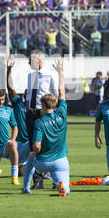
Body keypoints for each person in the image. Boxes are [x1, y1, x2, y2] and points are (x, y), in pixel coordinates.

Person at [22, 58, 70, 197]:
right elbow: (61, 93)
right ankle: (62, 186)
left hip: (43, 162)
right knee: (65, 184)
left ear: (42, 105)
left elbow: (37, 146)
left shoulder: (40, 123)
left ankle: (26, 187)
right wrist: (61, 72)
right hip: (60, 161)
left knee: (31, 155)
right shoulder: (62, 114)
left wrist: (35, 153)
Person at [25, 49, 59, 189]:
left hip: (43, 114)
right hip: (31, 114)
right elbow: (28, 96)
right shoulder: (30, 75)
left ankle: (56, 179)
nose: (28, 62)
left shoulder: (51, 75)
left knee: (48, 146)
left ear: (39, 61)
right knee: (33, 147)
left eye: (31, 60)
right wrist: (27, 111)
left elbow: (56, 96)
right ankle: (37, 181)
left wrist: (51, 115)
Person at [7, 54, 31, 176]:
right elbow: (10, 89)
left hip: (32, 142)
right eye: (27, 93)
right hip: (21, 143)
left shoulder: (37, 108)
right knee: (22, 174)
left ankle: (45, 170)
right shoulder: (18, 104)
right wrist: (9, 70)